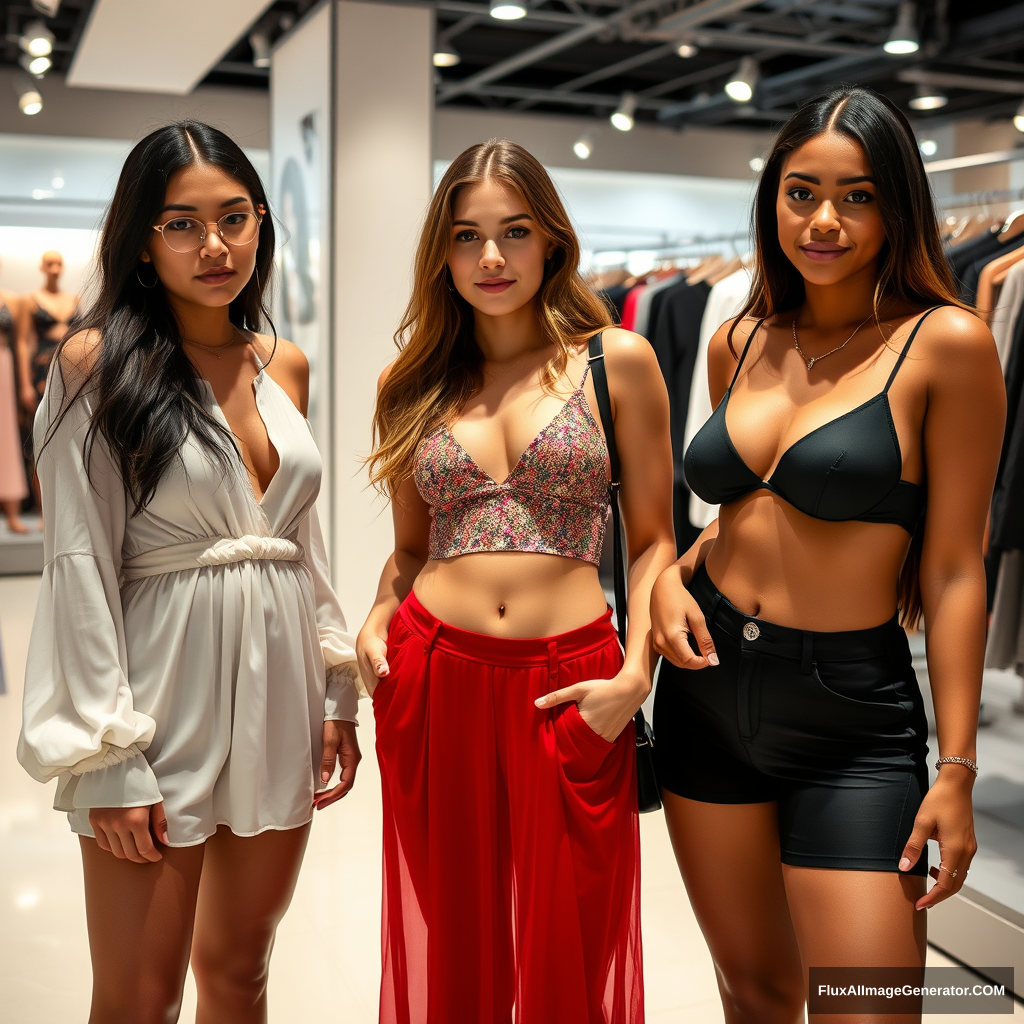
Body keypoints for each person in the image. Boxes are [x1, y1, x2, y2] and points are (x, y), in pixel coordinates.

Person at [650, 87, 1005, 1024]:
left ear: (898, 207)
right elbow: (735, 515)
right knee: (755, 994)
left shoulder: (949, 345)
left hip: (852, 719)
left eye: (857, 196)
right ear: (773, 199)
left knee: (865, 1008)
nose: (824, 220)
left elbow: (957, 568)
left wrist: (957, 770)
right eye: (802, 191)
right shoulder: (739, 338)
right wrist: (663, 577)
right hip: (707, 691)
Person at [17, 121, 362, 1024]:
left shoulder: (283, 362)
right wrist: (108, 755)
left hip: (279, 694)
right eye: (182, 224)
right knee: (138, 998)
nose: (215, 246)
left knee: (241, 974)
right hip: (156, 707)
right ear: (141, 238)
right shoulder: (99, 363)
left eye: (235, 218)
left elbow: (301, 543)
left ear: (261, 226)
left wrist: (336, 692)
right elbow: (79, 561)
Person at [359, 139, 676, 1024]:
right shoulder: (410, 382)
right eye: (466, 236)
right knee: (451, 937)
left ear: (551, 243)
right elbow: (413, 551)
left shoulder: (617, 360)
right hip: (435, 675)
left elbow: (654, 541)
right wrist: (380, 612)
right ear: (443, 253)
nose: (491, 258)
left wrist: (635, 674)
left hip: (571, 683)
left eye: (513, 232)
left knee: (573, 941)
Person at [17, 249, 79, 415]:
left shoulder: (75, 299)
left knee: (71, 417)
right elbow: (22, 342)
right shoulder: (30, 299)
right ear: (42, 268)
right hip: (43, 365)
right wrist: (25, 385)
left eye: (58, 264)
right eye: (49, 264)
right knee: (43, 418)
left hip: (71, 365)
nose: (55, 269)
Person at [0, 275, 28, 532]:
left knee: (6, 436)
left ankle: (12, 513)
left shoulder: (11, 300)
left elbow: (21, 341)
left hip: (3, 364)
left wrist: (24, 385)